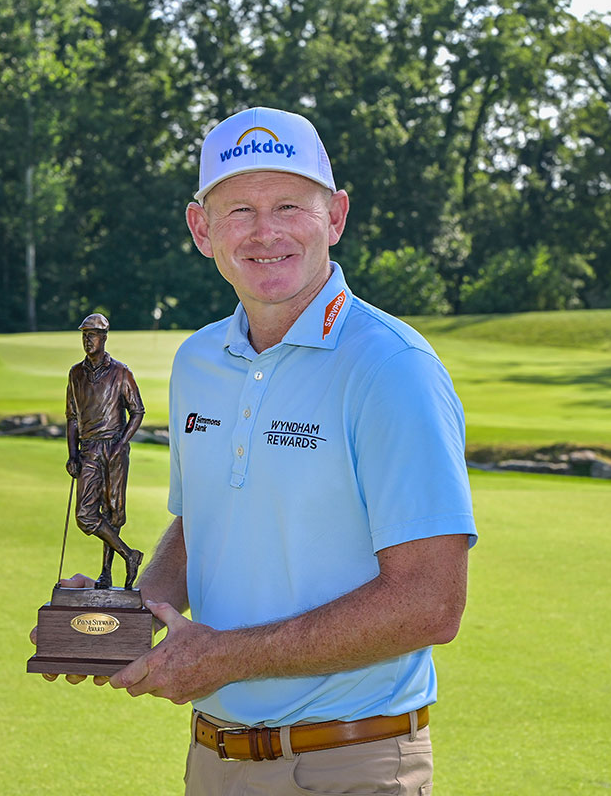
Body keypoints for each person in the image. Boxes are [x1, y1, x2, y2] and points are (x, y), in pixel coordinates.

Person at [35, 107, 477, 794]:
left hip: (349, 763)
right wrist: (115, 612)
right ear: (201, 229)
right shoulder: (198, 360)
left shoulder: (393, 367)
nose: (265, 231)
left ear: (334, 216)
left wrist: (225, 658)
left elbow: (431, 602)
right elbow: (200, 527)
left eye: (289, 205)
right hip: (213, 763)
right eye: (238, 208)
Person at [65, 313, 145, 590]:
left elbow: (137, 411)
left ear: (104, 337)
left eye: (93, 335)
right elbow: (72, 417)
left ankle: (106, 574)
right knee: (85, 515)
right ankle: (129, 554)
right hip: (88, 450)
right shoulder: (75, 374)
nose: (88, 340)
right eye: (84, 334)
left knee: (113, 513)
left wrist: (121, 445)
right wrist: (72, 455)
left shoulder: (121, 372)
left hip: (113, 448)